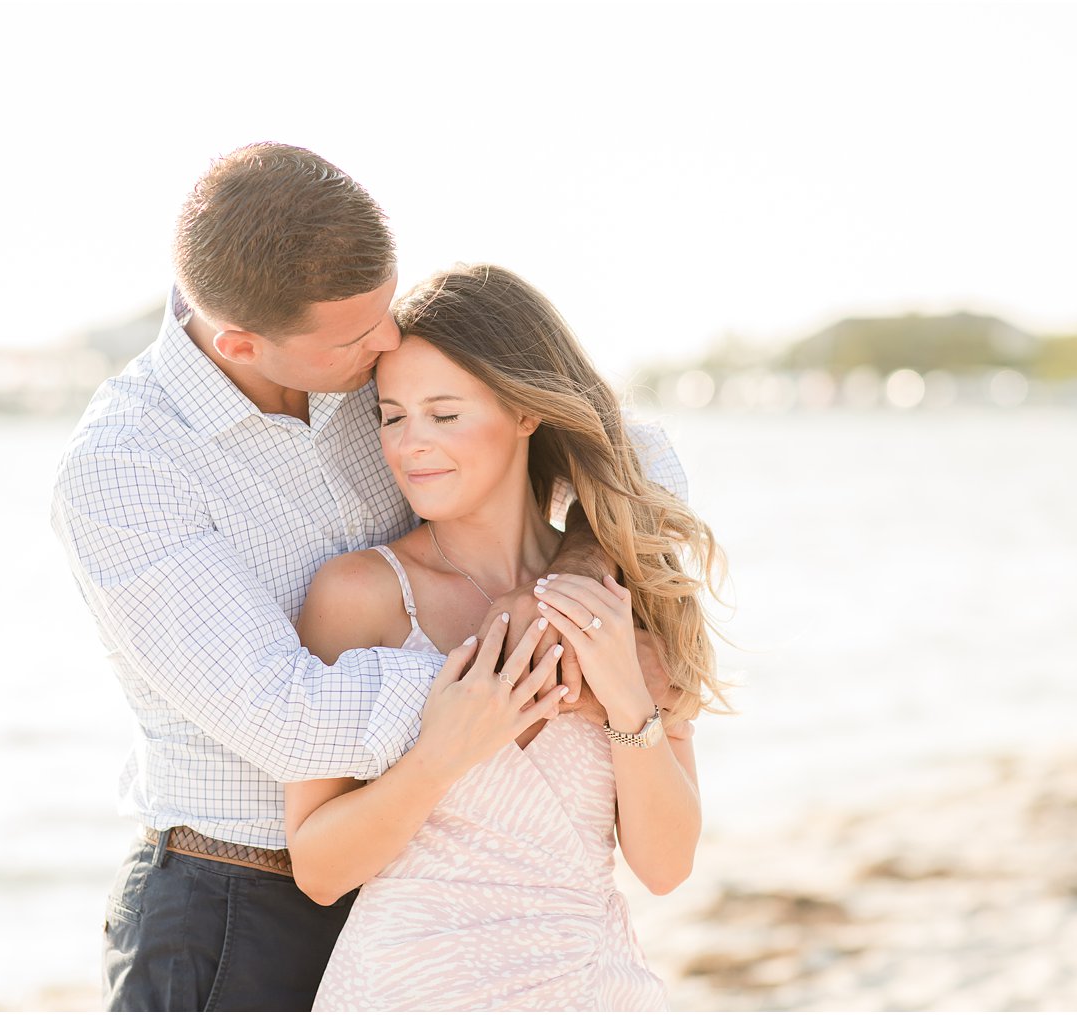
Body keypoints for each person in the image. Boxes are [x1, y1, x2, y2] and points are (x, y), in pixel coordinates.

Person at [50, 143, 689, 1012]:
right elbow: (285, 713)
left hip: (448, 904)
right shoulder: (127, 467)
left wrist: (578, 571)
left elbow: (623, 443)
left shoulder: (366, 360)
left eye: (386, 311)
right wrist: (534, 668)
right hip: (234, 904)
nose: (389, 342)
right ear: (241, 341)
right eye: (362, 337)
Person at [286, 264, 729, 1011]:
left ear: (527, 412)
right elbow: (319, 867)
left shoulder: (627, 592)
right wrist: (443, 753)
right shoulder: (359, 594)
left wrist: (624, 694)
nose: (410, 445)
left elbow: (666, 865)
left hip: (589, 986)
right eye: (393, 416)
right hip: (406, 990)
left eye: (444, 413)